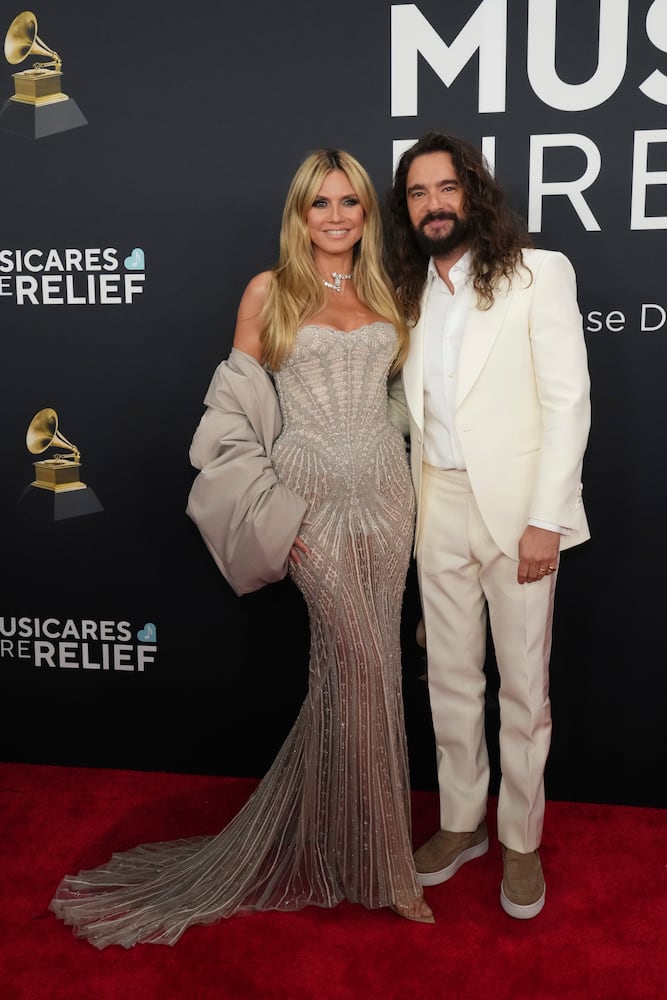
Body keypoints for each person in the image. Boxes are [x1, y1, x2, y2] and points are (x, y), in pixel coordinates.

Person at [48, 148, 434, 949]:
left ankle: (351, 843)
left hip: (387, 502)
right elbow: (230, 416)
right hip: (309, 505)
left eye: (349, 203)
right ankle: (385, 865)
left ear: (367, 212)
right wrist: (269, 515)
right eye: (318, 204)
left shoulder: (392, 290)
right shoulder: (270, 290)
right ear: (299, 215)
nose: (334, 217)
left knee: (366, 674)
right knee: (357, 663)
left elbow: (406, 400)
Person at [384, 131, 591, 919]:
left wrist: (546, 519)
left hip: (517, 513)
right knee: (448, 678)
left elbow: (568, 403)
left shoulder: (540, 274)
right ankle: (461, 821)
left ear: (471, 193)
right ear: (404, 210)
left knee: (523, 688)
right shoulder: (408, 289)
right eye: (416, 193)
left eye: (445, 188)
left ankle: (520, 839)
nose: (433, 204)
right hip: (433, 503)